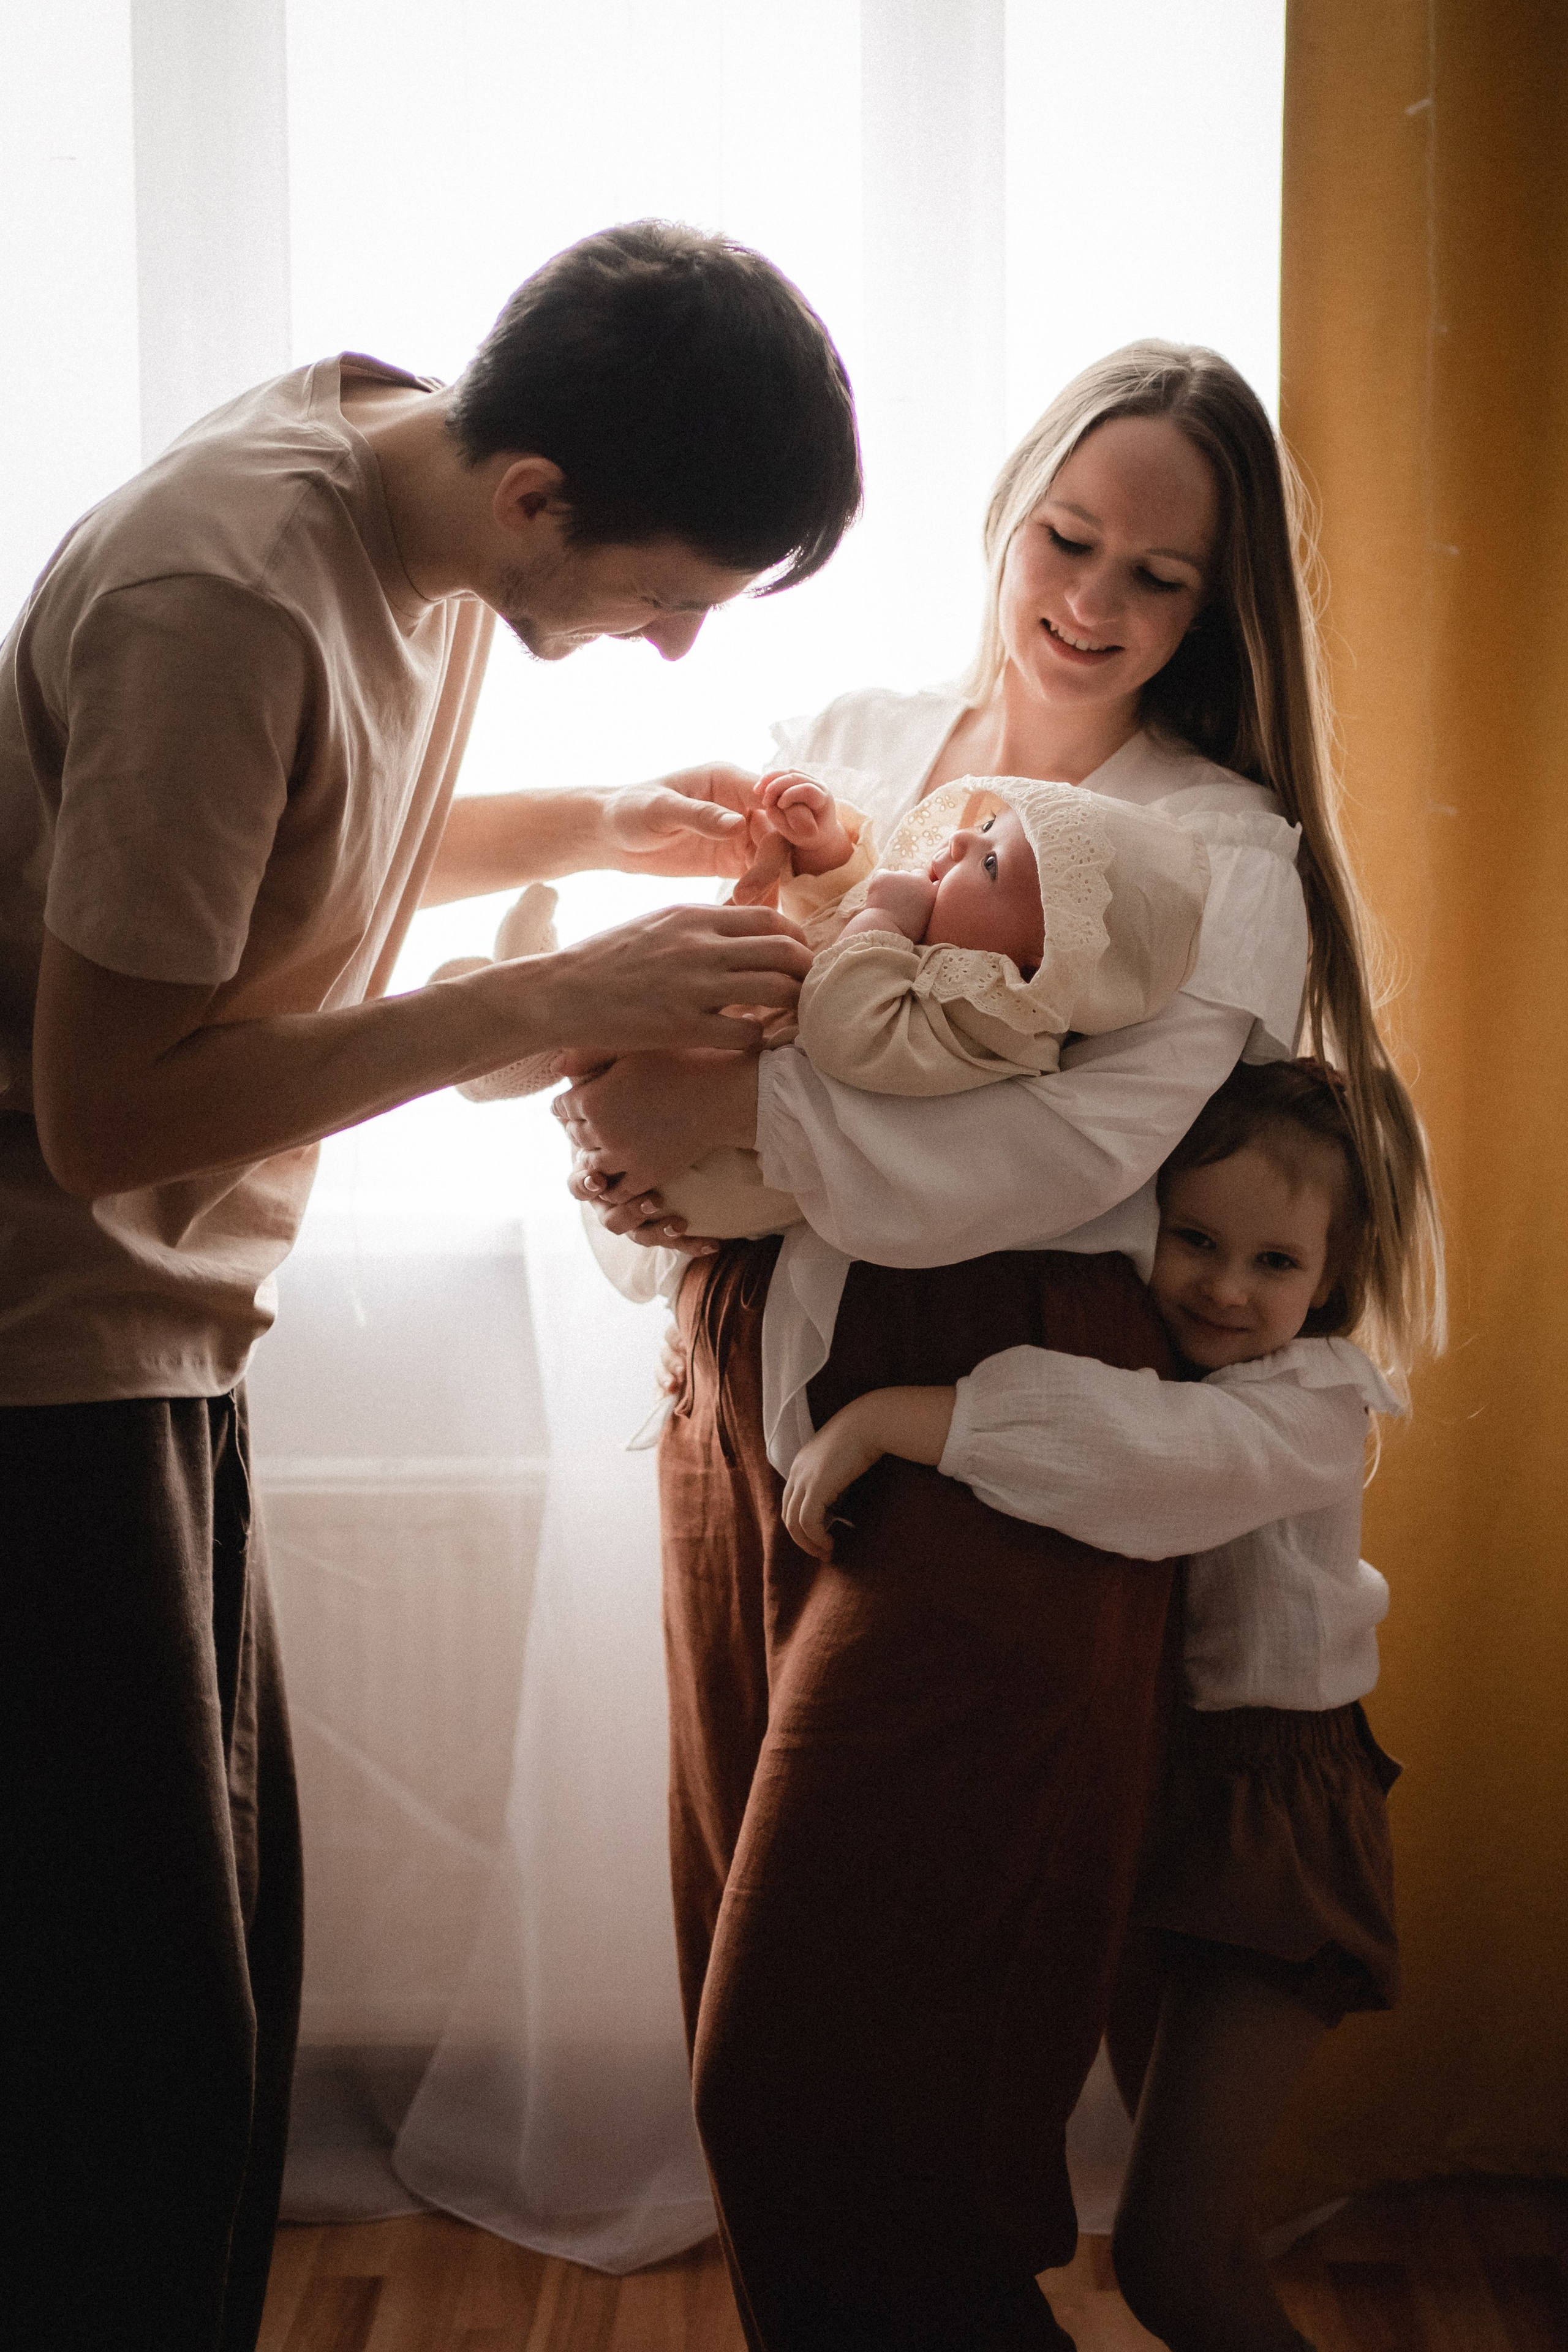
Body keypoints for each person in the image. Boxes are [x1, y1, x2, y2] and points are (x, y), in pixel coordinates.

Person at [0, 219, 859, 2352]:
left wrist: (606, 817)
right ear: (539, 496)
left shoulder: (428, 506)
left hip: (155, 1333)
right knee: (137, 2067)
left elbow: (293, 826)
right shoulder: (228, 585)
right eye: (664, 599)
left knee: (221, 2004)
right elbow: (106, 1107)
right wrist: (548, 996)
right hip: (43, 1342)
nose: (669, 644)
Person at [560, 342, 1443, 2352]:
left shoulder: (1221, 850)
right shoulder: (852, 739)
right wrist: (636, 1170)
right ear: (1008, 509)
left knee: (838, 2100)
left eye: (1162, 577)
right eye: (1072, 536)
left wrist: (747, 1146)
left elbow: (1078, 1160)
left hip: (1002, 1419)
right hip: (739, 1393)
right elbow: (723, 996)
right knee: (756, 2065)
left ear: (1219, 613)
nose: (1097, 598)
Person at [781, 1056, 1425, 2352]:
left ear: (1332, 1279)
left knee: (1170, 2260)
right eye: (1193, 1239)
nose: (1222, 1288)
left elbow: (1144, 1453)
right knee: (1183, 2229)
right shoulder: (1166, 1353)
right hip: (1170, 1797)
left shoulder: (1312, 1403)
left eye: (1272, 1264)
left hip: (1277, 1817)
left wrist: (907, 1417)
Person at [654, 764, 1210, 1237]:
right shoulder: (941, 939)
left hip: (709, 1169)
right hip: (694, 1083)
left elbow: (842, 1031)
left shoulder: (989, 1020)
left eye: (991, 864)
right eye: (989, 825)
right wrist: (823, 850)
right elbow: (831, 931)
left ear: (1038, 965)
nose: (965, 839)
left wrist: (887, 919)